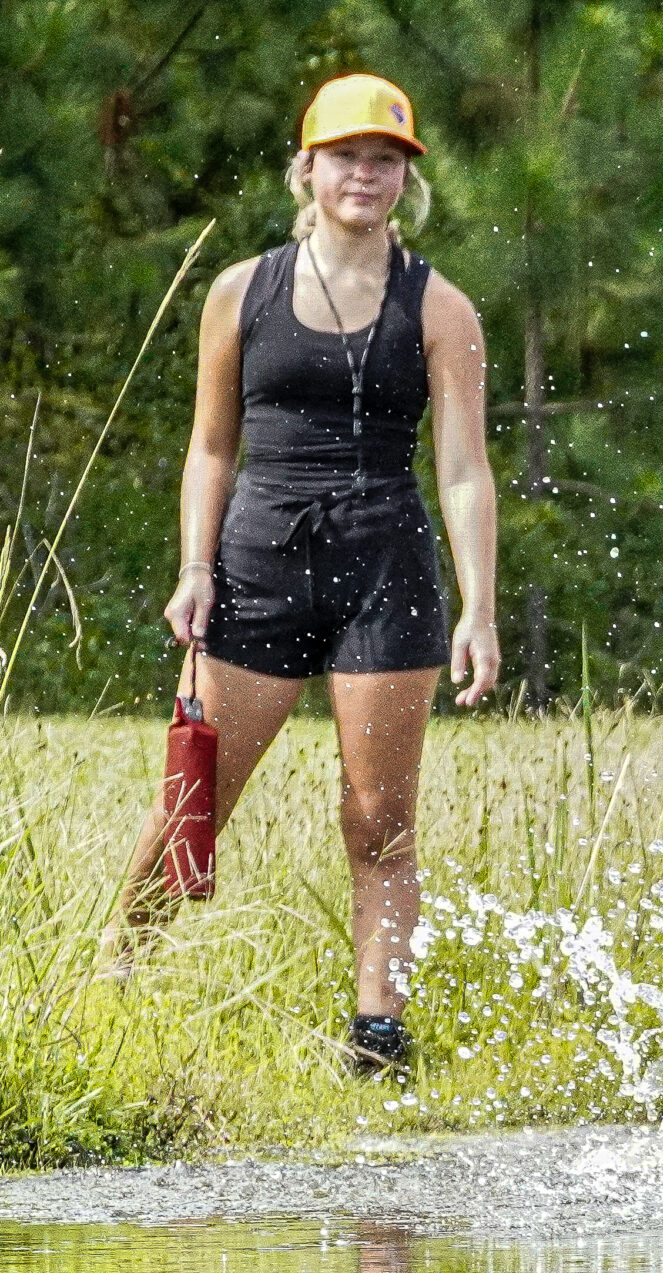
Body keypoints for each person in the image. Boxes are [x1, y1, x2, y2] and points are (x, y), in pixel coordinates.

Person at [111, 72, 501, 1075]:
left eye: (385, 161)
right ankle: (113, 987)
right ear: (309, 167)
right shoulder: (241, 291)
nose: (364, 175)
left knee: (380, 823)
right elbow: (208, 449)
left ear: (404, 180)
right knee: (192, 804)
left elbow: (462, 469)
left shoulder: (440, 306)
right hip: (253, 567)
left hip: (387, 572)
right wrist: (195, 566)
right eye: (346, 158)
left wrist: (480, 609)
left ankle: (378, 1039)